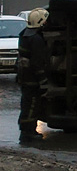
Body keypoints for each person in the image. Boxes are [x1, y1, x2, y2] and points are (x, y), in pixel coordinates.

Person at [17, 7, 49, 140]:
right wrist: (43, 82)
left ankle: (27, 130)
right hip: (32, 79)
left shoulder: (24, 34)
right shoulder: (36, 39)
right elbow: (38, 63)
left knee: (26, 103)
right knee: (32, 105)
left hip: (24, 76)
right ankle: (28, 133)